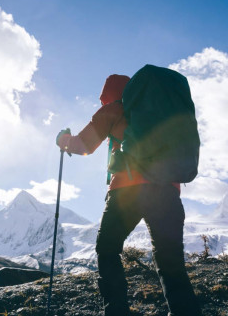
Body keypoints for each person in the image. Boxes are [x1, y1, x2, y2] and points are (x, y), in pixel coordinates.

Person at [56, 74, 202, 316]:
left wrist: (63, 139)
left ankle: (117, 311)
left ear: (108, 95)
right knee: (170, 262)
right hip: (168, 192)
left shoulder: (115, 109)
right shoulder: (161, 113)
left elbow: (82, 145)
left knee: (108, 249)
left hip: (127, 190)